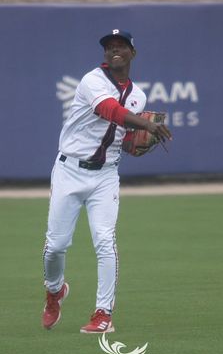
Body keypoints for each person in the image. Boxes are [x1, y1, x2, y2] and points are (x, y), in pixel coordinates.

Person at [41, 29, 173, 334]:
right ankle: (54, 290)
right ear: (104, 54)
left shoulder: (138, 97)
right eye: (109, 47)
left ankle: (103, 313)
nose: (115, 50)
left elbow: (122, 138)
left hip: (105, 175)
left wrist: (138, 142)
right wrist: (146, 126)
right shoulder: (92, 81)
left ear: (132, 53)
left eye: (121, 46)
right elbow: (109, 111)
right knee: (56, 246)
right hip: (69, 171)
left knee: (104, 241)